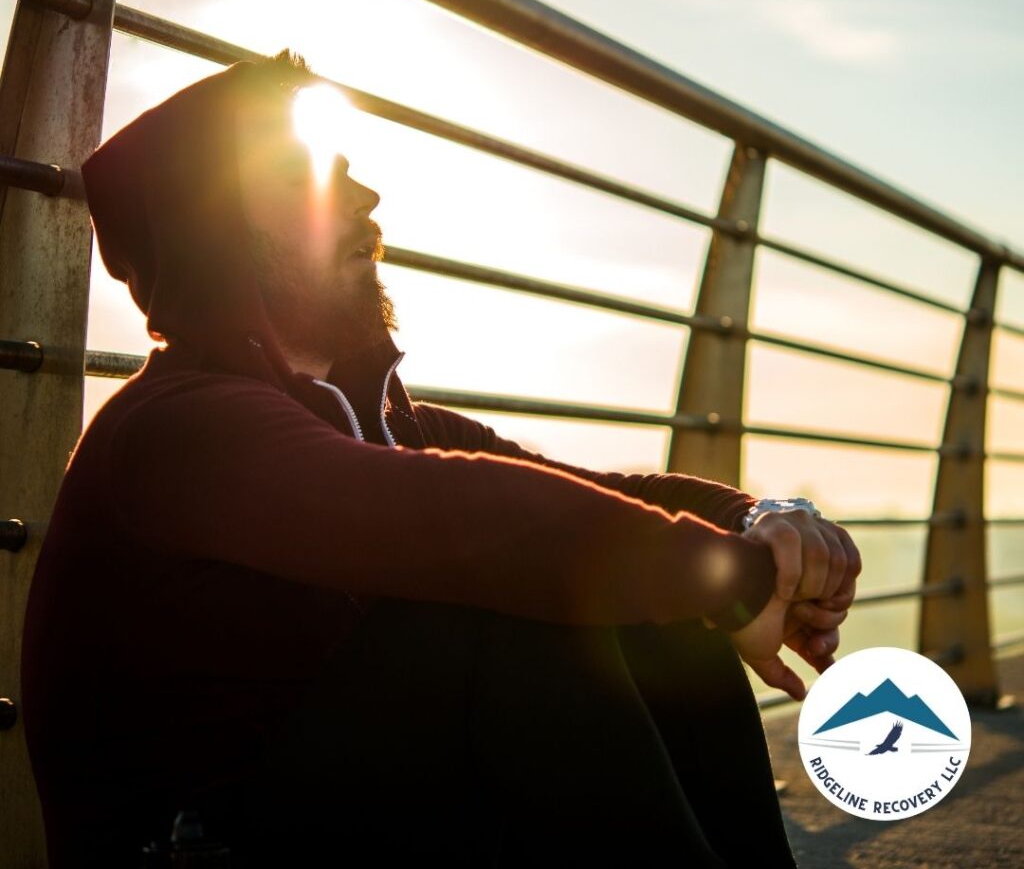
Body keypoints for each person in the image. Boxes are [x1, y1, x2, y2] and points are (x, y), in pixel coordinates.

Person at [20, 52, 861, 867]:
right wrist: (736, 579)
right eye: (305, 174)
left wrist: (766, 527)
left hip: (360, 820)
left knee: (653, 599)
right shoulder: (177, 430)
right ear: (213, 228)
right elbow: (468, 524)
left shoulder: (390, 423)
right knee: (495, 605)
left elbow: (602, 496)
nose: (364, 196)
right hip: (202, 844)